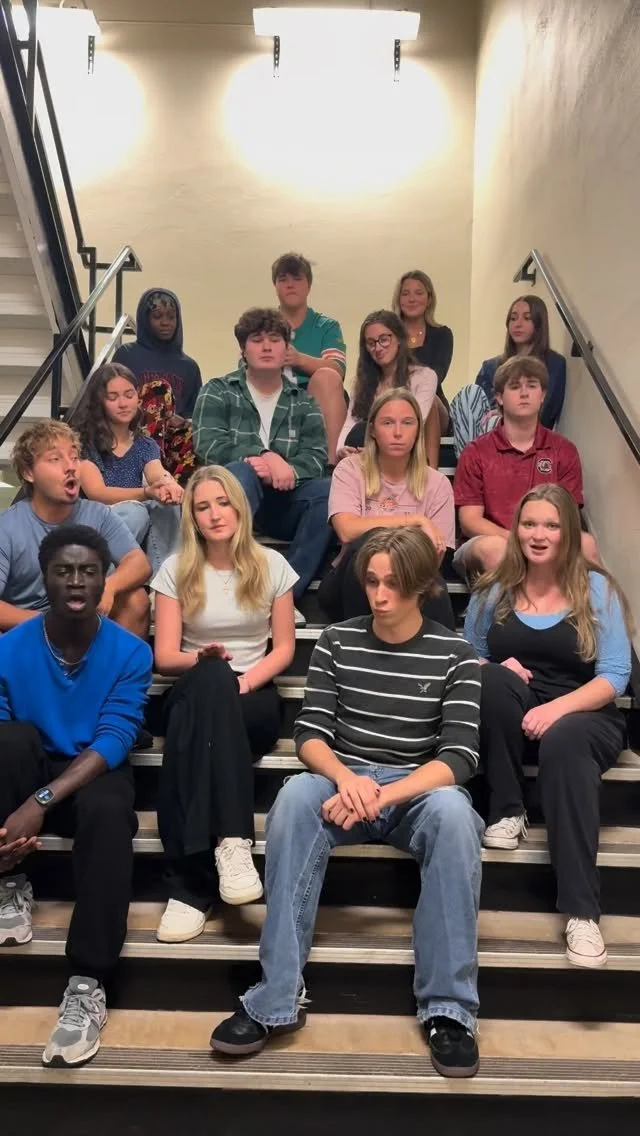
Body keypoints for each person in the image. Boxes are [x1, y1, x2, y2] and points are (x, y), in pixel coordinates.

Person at [211, 526, 484, 1079]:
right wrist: (345, 778)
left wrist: (380, 793)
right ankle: (274, 997)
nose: (379, 595)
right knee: (294, 796)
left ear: (422, 586)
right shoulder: (337, 641)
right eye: (372, 582)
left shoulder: (455, 654)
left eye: (393, 584)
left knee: (457, 814)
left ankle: (449, 1010)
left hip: (414, 790)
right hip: (344, 781)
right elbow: (310, 734)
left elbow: (458, 757)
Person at [0, 525, 152, 1066]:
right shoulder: (9, 648)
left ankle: (88, 982)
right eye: (63, 570)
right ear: (45, 578)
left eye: (88, 570)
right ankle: (10, 881)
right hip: (30, 763)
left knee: (110, 812)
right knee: (6, 740)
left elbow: (114, 738)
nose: (76, 581)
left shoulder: (131, 652)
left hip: (93, 768)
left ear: (104, 579)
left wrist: (37, 803)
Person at [465, 484, 632, 968]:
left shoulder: (596, 588)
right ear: (516, 530)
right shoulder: (493, 588)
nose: (538, 535)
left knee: (564, 741)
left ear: (569, 533)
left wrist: (558, 710)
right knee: (490, 681)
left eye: (552, 525)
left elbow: (615, 676)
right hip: (515, 711)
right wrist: (493, 667)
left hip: (584, 714)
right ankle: (508, 810)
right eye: (529, 524)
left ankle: (582, 913)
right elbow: (467, 656)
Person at [151, 466, 296, 943]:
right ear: (192, 517)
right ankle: (233, 840)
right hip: (194, 686)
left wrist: (246, 682)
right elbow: (165, 656)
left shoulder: (272, 565)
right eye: (202, 506)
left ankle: (189, 888)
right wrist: (203, 660)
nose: (214, 514)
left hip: (251, 694)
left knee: (198, 733)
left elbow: (284, 648)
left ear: (239, 508)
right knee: (211, 677)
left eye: (222, 503)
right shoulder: (175, 569)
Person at [192, 307, 331, 617]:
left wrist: (288, 470)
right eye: (256, 340)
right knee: (239, 473)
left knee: (328, 492)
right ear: (243, 349)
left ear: (286, 349)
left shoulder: (303, 401)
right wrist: (263, 457)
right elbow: (208, 445)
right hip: (233, 497)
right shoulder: (218, 391)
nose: (266, 347)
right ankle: (223, 583)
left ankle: (284, 596)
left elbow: (316, 457)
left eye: (274, 339)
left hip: (284, 502)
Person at [453, 356, 598, 582]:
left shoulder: (563, 450)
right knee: (497, 550)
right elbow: (470, 521)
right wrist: (517, 539)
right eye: (514, 386)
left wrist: (537, 538)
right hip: (489, 540)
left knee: (587, 544)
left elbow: (568, 516)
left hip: (546, 537)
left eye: (531, 386)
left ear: (543, 395)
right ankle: (505, 607)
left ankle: (582, 608)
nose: (524, 393)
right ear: (499, 397)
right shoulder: (476, 452)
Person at [320, 389, 456, 629]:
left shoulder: (437, 483)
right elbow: (347, 531)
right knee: (370, 541)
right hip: (351, 579)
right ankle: (359, 639)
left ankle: (441, 648)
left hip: (410, 578)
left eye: (408, 423)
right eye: (388, 423)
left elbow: (436, 555)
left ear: (418, 430)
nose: (398, 432)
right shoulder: (350, 469)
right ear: (373, 430)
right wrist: (414, 520)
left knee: (431, 579)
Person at [0, 422, 151, 637]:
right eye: (55, 459)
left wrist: (109, 586)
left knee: (135, 600)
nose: (70, 466)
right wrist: (49, 621)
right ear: (28, 472)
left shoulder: (98, 514)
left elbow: (139, 563)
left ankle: (112, 661)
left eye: (74, 457)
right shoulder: (7, 527)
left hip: (85, 618)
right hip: (28, 629)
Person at [77, 363, 183, 576]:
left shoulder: (144, 444)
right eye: (113, 397)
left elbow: (156, 472)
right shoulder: (84, 442)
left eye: (129, 394)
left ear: (137, 397)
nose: (123, 403)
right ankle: (102, 577)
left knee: (165, 504)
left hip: (135, 520)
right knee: (136, 511)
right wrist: (146, 493)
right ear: (99, 401)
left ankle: (163, 582)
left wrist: (167, 484)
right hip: (95, 521)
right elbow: (97, 493)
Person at [450, 295, 566, 456]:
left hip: (529, 434)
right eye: (513, 318)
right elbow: (482, 412)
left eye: (527, 318)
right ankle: (470, 461)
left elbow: (547, 411)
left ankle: (480, 461)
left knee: (497, 420)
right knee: (469, 393)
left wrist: (508, 413)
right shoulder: (491, 366)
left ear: (539, 323)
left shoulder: (554, 363)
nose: (518, 324)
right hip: (489, 435)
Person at [113, 288, 201, 484]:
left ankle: (177, 492)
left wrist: (179, 420)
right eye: (157, 316)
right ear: (146, 320)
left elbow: (193, 415)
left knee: (198, 435)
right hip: (131, 435)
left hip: (171, 445)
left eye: (171, 317)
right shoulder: (126, 354)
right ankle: (148, 468)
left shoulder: (189, 367)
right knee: (159, 390)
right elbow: (111, 398)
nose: (165, 322)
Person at [336, 310, 441, 469]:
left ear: (399, 339)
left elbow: (414, 424)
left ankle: (430, 474)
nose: (377, 348)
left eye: (384, 339)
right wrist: (341, 449)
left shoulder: (425, 376)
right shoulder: (362, 382)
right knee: (359, 431)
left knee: (432, 405)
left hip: (404, 449)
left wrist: (376, 451)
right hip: (368, 453)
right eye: (371, 343)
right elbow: (351, 421)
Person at [272, 252, 347, 465]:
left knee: (327, 378)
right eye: (283, 279)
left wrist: (298, 359)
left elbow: (337, 369)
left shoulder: (327, 326)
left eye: (297, 279)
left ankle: (330, 467)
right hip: (274, 396)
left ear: (309, 285)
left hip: (314, 398)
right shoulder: (262, 325)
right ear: (275, 286)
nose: (290, 285)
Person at [392, 269, 454, 429]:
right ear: (398, 300)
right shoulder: (388, 335)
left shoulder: (442, 334)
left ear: (429, 300)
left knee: (429, 398)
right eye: (405, 294)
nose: (412, 299)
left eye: (419, 293)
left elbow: (437, 375)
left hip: (432, 404)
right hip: (392, 401)